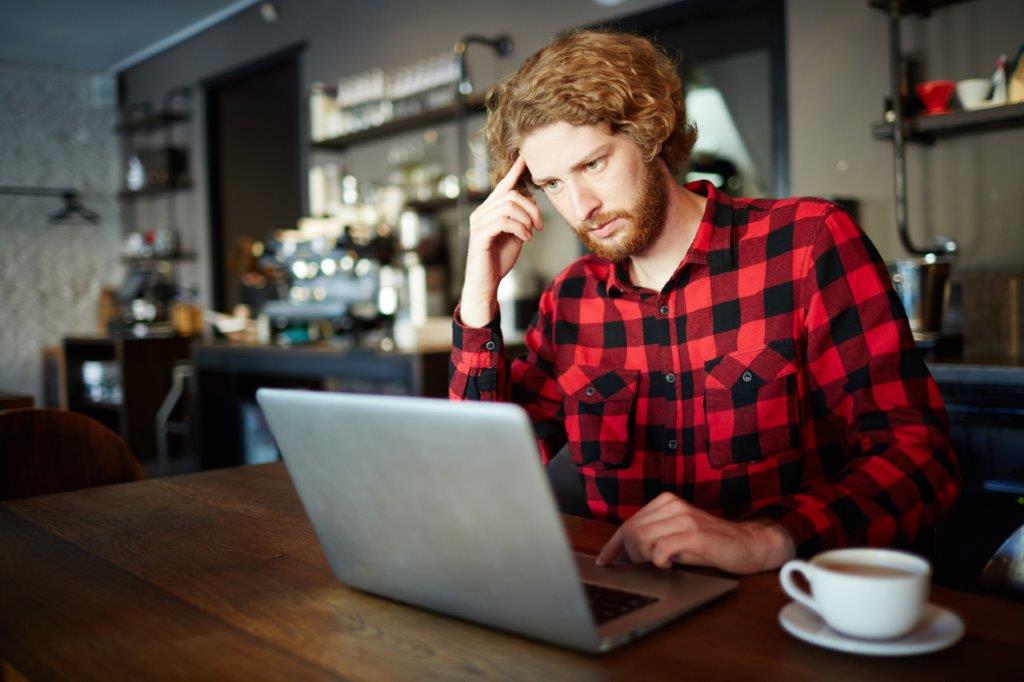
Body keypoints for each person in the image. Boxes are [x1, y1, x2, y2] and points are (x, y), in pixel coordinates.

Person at [448, 29, 959, 575]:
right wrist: (479, 295)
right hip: (629, 611)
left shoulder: (807, 245)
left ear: (649, 133)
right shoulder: (570, 299)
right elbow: (482, 475)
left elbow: (921, 459)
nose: (581, 207)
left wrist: (769, 538)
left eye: (592, 165)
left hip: (781, 606)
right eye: (551, 184)